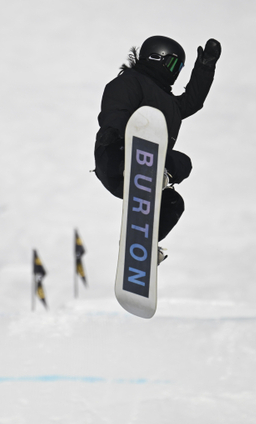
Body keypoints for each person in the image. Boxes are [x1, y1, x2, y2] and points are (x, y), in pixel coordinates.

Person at [93, 35, 221, 260]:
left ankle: (142, 244)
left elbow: (192, 101)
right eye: (173, 64)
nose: (175, 71)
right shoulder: (132, 81)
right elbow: (116, 106)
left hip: (144, 168)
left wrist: (205, 67)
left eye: (179, 67)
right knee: (173, 161)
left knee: (174, 198)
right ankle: (147, 172)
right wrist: (113, 130)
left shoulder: (169, 102)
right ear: (155, 58)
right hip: (116, 157)